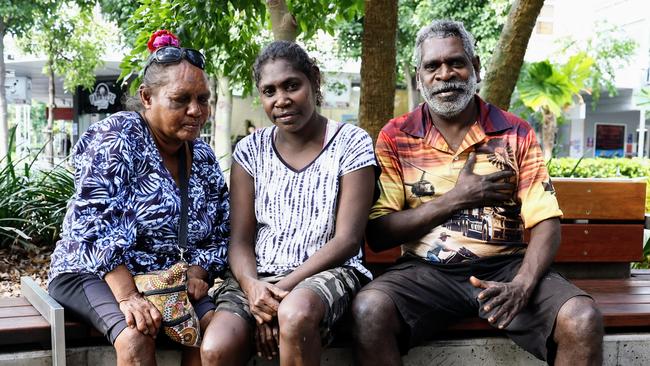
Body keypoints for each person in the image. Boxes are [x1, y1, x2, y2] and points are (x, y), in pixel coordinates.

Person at [351, 20, 604, 366]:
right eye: (432, 66)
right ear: (419, 76)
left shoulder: (515, 132)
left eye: (456, 62)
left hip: (507, 268)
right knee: (368, 311)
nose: (445, 74)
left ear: (476, 67)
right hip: (426, 272)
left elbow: (546, 222)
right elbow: (379, 234)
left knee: (582, 319)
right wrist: (458, 198)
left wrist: (523, 285)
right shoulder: (396, 136)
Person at [48, 30, 229, 366]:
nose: (195, 110)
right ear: (147, 97)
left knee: (214, 337)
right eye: (180, 99)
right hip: (93, 271)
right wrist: (128, 296)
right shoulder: (116, 136)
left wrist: (200, 271)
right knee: (135, 335)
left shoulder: (202, 157)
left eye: (202, 99)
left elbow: (221, 226)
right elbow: (93, 223)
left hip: (168, 278)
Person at [200, 40, 377, 366]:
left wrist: (276, 296)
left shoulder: (351, 143)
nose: (281, 100)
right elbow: (240, 240)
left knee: (294, 314)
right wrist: (254, 290)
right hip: (256, 278)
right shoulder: (250, 151)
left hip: (327, 273)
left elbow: (347, 240)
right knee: (216, 347)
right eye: (269, 91)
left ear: (314, 80)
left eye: (292, 86)